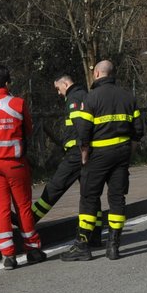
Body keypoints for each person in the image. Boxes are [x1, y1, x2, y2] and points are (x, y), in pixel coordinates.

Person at [61, 59, 142, 262]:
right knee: (117, 198)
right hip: (122, 154)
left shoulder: (91, 98)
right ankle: (113, 246)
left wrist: (84, 154)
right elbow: (138, 132)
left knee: (89, 197)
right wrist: (128, 156)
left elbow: (84, 131)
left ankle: (82, 245)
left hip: (98, 155)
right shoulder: (128, 97)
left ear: (97, 74)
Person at [0, 64, 45, 269]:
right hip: (14, 163)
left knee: (1, 208)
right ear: (7, 83)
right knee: (23, 207)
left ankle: (8, 255)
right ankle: (32, 249)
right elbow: (28, 130)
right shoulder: (17, 103)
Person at [31, 71, 90, 223]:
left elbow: (81, 126)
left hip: (77, 152)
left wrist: (83, 148)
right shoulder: (83, 94)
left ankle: (29, 219)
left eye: (58, 88)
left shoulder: (74, 98)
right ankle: (92, 232)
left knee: (55, 186)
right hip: (82, 151)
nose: (58, 92)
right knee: (88, 194)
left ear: (65, 84)